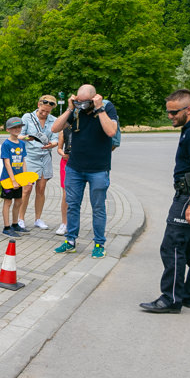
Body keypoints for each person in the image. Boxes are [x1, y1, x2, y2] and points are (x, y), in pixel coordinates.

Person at [140, 89, 190, 313]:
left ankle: (171, 298)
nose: (170, 116)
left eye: (174, 112)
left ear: (189, 109)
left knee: (172, 245)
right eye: (168, 112)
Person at [51, 84, 119, 258]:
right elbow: (55, 128)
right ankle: (70, 241)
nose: (81, 105)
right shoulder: (75, 111)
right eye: (78, 101)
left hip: (98, 169)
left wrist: (99, 108)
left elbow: (111, 131)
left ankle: (99, 243)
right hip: (75, 167)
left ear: (94, 98)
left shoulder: (106, 108)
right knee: (72, 205)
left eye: (84, 102)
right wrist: (69, 107)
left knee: (98, 207)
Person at [18, 95, 58, 230]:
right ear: (38, 105)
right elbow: (18, 134)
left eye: (47, 112)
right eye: (42, 111)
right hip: (30, 157)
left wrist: (52, 144)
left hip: (45, 157)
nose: (44, 114)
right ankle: (20, 219)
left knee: (41, 189)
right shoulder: (27, 117)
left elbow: (56, 139)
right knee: (27, 189)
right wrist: (26, 138)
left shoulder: (54, 120)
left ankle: (38, 219)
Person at [0, 117, 28, 238]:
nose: (17, 129)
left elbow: (23, 161)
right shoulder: (6, 144)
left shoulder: (22, 143)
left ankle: (15, 224)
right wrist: (13, 180)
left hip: (19, 179)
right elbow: (7, 163)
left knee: (19, 201)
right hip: (8, 180)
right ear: (8, 130)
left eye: (19, 127)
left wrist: (25, 178)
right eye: (14, 128)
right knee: (8, 202)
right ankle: (6, 227)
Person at [55, 126, 72, 235]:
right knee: (66, 195)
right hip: (66, 163)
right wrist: (64, 154)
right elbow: (59, 148)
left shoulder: (85, 127)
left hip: (81, 163)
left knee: (76, 195)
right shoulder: (64, 130)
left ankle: (73, 224)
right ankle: (64, 223)